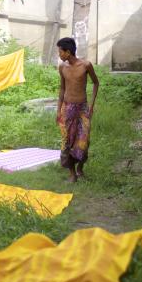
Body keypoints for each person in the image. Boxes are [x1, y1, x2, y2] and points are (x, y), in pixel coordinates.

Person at [56, 37, 99, 182]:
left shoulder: (86, 65)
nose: (59, 54)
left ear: (68, 52)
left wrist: (91, 106)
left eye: (60, 51)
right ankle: (72, 174)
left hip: (82, 109)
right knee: (68, 140)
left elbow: (96, 83)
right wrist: (58, 110)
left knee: (83, 141)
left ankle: (80, 168)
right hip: (67, 108)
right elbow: (62, 88)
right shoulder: (62, 67)